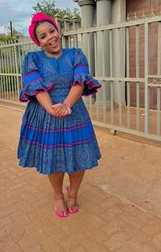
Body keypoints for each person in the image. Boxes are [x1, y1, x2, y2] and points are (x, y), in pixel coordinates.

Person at [17, 12, 102, 218]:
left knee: (81, 157)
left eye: (52, 31)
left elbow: (80, 82)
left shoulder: (76, 54)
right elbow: (37, 87)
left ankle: (72, 194)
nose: (50, 37)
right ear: (38, 41)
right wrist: (52, 109)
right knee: (54, 159)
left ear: (58, 30)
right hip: (47, 114)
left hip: (74, 112)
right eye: (43, 36)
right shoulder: (32, 58)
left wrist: (66, 104)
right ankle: (57, 195)